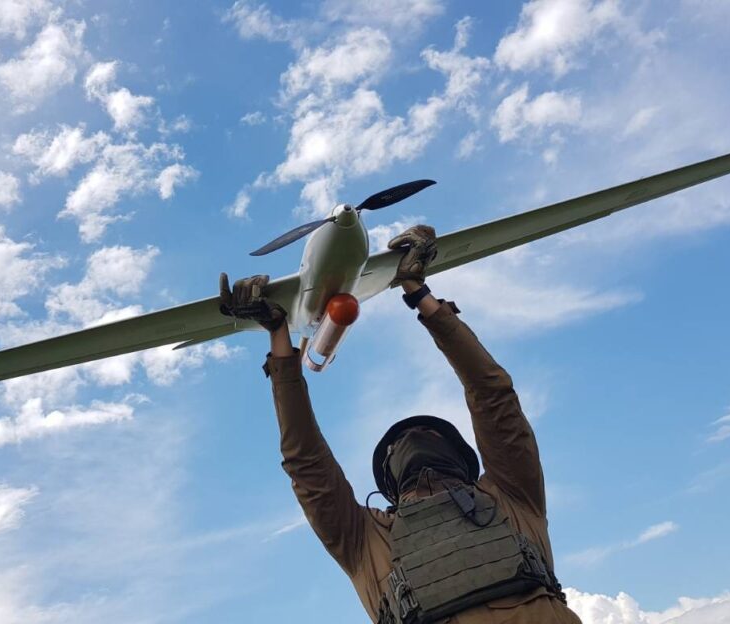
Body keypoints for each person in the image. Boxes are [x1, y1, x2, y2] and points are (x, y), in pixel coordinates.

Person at [219, 225, 582, 623]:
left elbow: (494, 397)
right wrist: (279, 336)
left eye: (426, 434)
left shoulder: (510, 495)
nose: (412, 439)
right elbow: (306, 465)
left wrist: (419, 292)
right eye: (403, 442)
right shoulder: (365, 537)